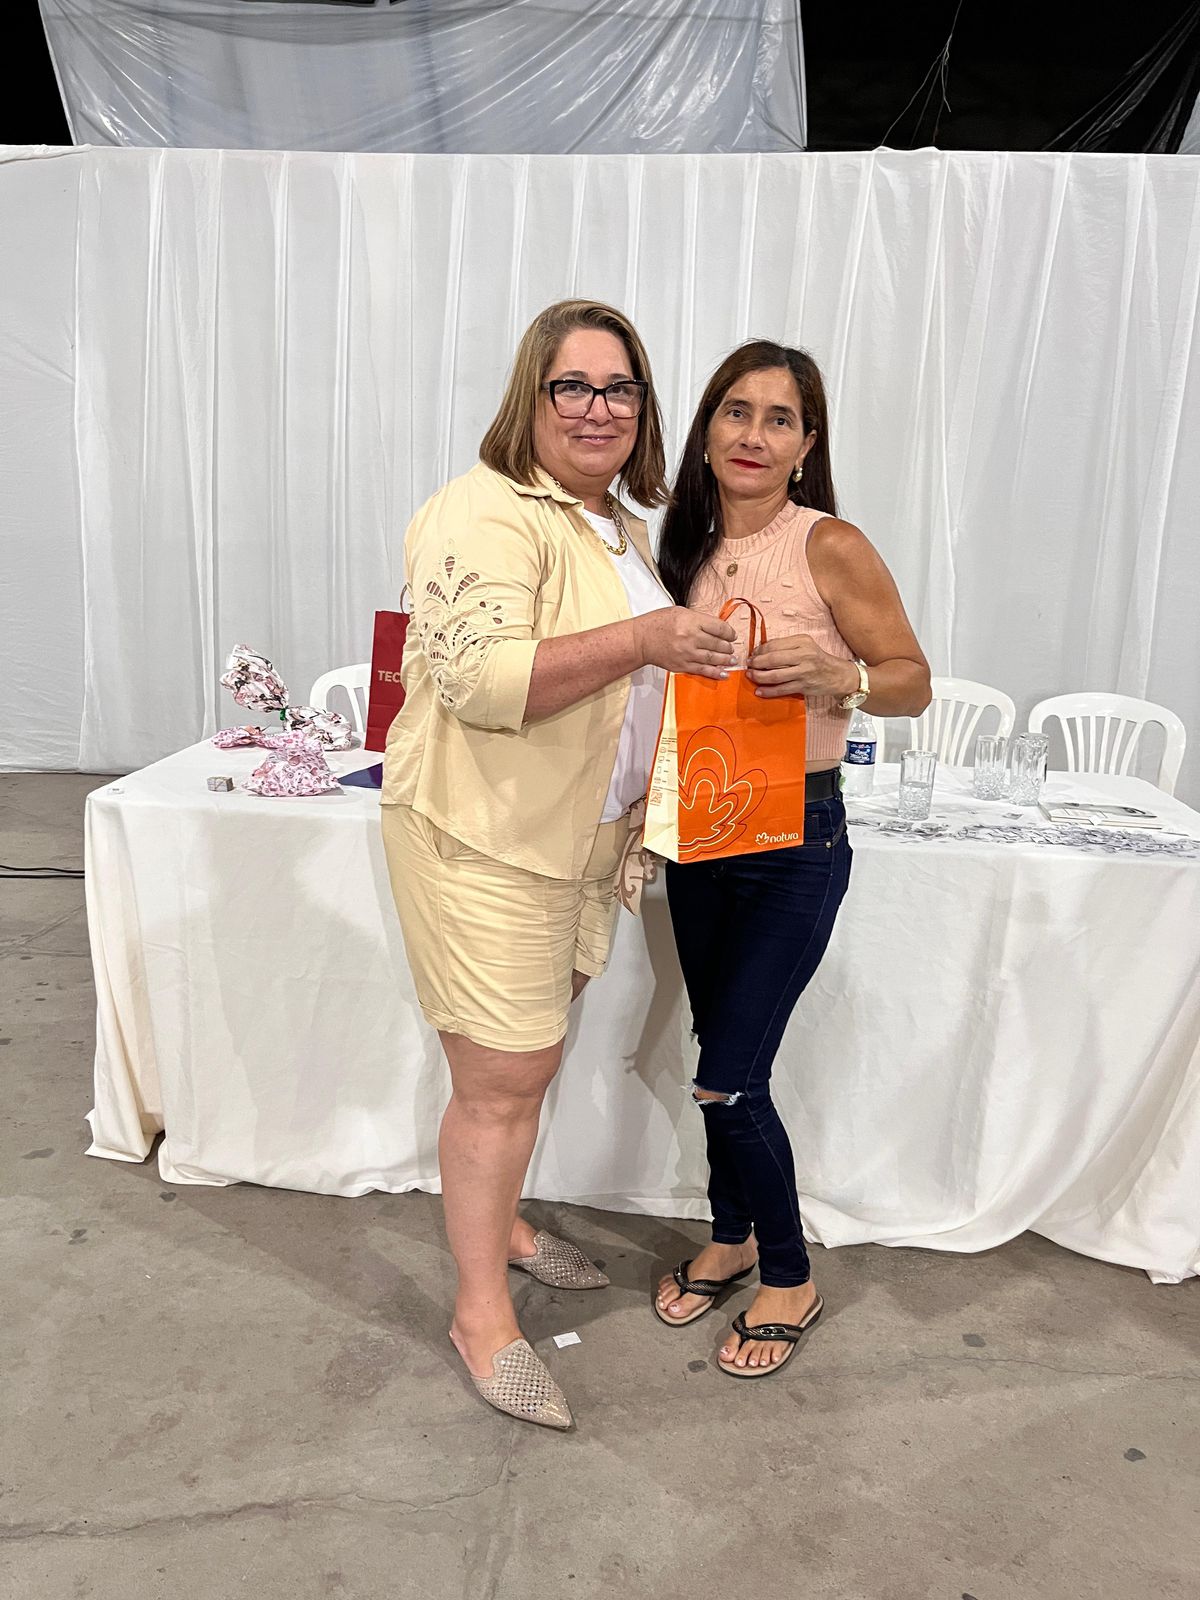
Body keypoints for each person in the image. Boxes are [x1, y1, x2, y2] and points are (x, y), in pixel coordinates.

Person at [381, 300, 737, 1428]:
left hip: (582, 846)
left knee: (527, 1064)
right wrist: (647, 640)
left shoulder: (615, 524)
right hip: (488, 841)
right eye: (572, 386)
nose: (598, 408)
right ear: (528, 396)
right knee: (502, 1079)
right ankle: (481, 1314)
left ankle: (505, 1226)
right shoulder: (484, 511)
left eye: (620, 388)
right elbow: (484, 681)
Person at [653, 340, 931, 1378]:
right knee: (712, 1053)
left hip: (797, 834)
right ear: (707, 430)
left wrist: (841, 673)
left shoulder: (830, 544)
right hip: (700, 825)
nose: (755, 435)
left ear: (807, 445)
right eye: (737, 411)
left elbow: (914, 680)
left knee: (730, 1080)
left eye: (780, 418)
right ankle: (729, 1235)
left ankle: (789, 1273)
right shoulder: (676, 548)